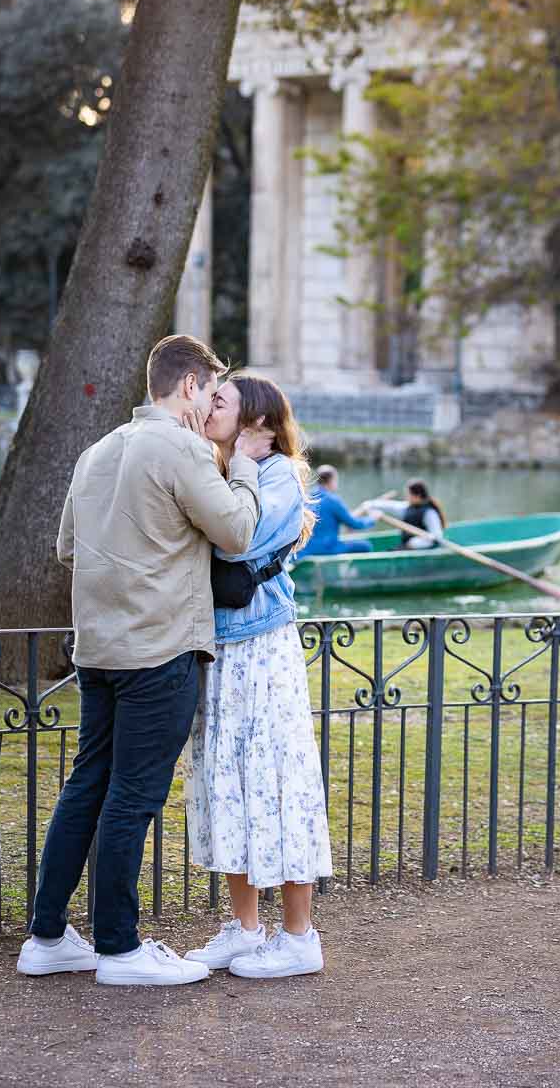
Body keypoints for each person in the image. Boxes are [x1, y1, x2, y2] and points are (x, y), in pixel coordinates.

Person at [17, 335, 272, 987]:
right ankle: (121, 948)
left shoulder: (98, 452)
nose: (213, 403)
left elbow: (69, 548)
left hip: (99, 650)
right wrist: (238, 461)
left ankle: (47, 938)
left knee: (88, 786)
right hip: (160, 649)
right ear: (188, 387)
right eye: (212, 392)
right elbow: (237, 530)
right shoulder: (182, 446)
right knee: (133, 797)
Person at [183, 373, 333, 979]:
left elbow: (232, 542)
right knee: (226, 781)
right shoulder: (219, 468)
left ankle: (299, 936)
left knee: (276, 778)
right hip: (222, 647)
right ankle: (243, 929)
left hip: (263, 649)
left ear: (261, 425)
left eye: (220, 401)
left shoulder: (277, 479)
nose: (207, 406)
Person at [297, 463, 375, 558]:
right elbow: (355, 524)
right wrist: (372, 519)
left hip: (304, 551)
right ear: (331, 481)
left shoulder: (306, 498)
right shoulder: (333, 500)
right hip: (327, 549)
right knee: (365, 546)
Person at [365, 479, 447, 549]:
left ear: (417, 496)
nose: (406, 497)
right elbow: (392, 506)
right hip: (408, 547)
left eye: (408, 495)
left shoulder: (429, 513)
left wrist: (414, 543)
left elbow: (437, 537)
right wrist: (371, 505)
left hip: (423, 547)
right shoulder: (407, 507)